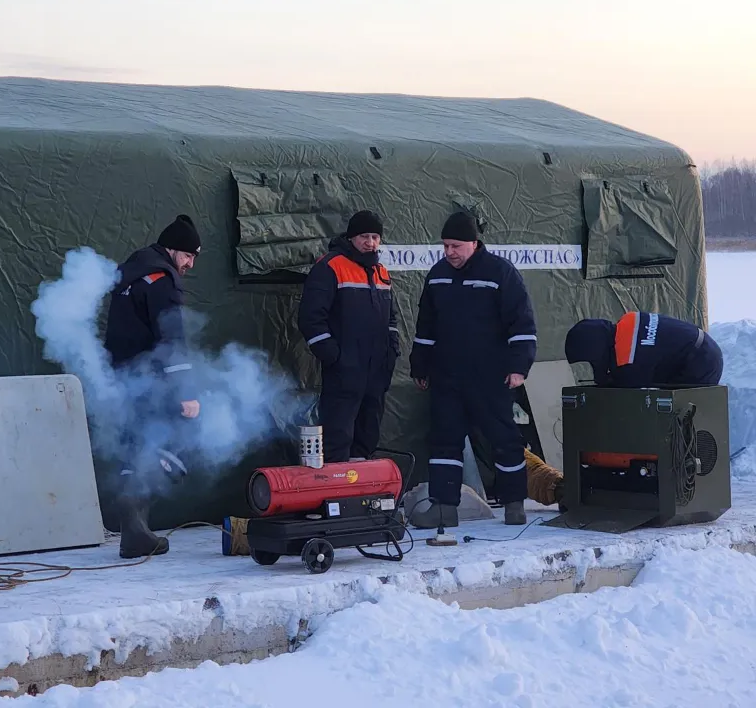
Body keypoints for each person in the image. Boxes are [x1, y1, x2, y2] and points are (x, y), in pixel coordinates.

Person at [409, 211, 537, 527]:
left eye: (456, 246)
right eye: (445, 246)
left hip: (490, 376)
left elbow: (521, 324)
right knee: (444, 440)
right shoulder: (437, 275)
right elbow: (425, 326)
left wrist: (519, 367)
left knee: (502, 438)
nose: (449, 252)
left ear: (473, 243)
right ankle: (444, 507)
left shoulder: (500, 273)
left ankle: (513, 503)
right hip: (447, 376)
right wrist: (420, 366)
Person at [102, 214, 202, 558]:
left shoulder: (131, 274)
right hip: (153, 381)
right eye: (188, 256)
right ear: (172, 250)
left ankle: (135, 534)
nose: (189, 264)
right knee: (182, 440)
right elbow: (172, 337)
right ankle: (134, 511)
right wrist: (186, 392)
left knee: (136, 444)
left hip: (124, 379)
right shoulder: (163, 278)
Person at [297, 210, 400, 464]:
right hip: (344, 372)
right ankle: (337, 495)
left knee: (368, 433)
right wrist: (334, 357)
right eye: (365, 236)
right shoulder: (330, 266)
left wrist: (392, 350)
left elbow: (392, 318)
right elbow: (310, 318)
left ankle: (360, 492)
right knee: (338, 435)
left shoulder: (381, 272)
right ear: (352, 237)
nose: (371, 243)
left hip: (376, 371)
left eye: (375, 237)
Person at [564, 311, 723, 388]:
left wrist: (604, 380)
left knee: (677, 416)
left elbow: (629, 390)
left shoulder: (629, 358)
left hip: (701, 363)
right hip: (706, 348)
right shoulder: (628, 323)